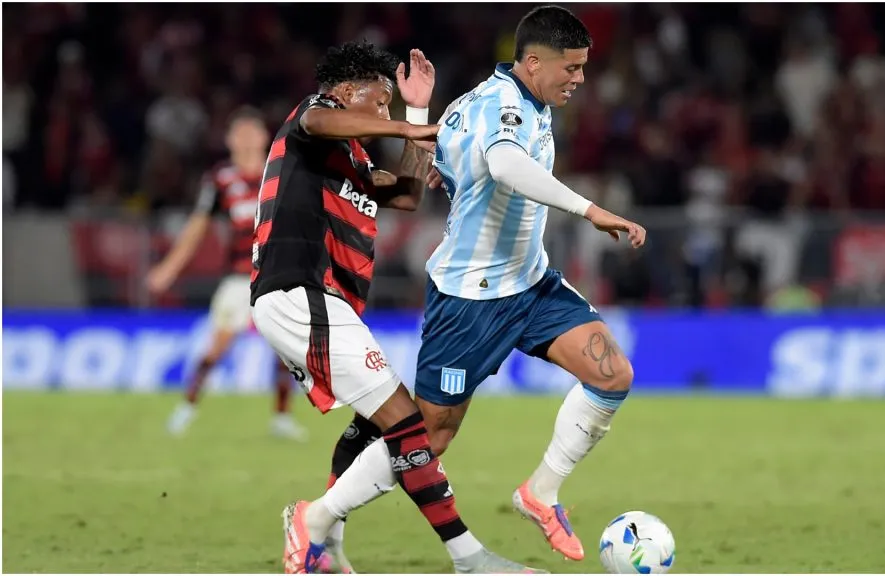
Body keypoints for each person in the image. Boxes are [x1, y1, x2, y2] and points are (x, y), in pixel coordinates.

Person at [324, 5, 647, 565]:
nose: (580, 78)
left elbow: (444, 159)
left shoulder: (504, 102)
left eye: (583, 67)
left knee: (611, 373)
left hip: (530, 283)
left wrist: (427, 121)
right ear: (534, 61)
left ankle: (539, 494)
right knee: (427, 438)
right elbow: (503, 165)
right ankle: (317, 517)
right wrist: (589, 210)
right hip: (470, 299)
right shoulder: (501, 108)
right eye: (571, 68)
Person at [248, 41, 542, 575]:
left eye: (388, 106)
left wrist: (416, 113)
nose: (383, 114)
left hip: (321, 302)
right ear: (343, 92)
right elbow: (316, 121)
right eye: (377, 102)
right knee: (408, 425)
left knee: (373, 430)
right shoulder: (312, 119)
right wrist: (404, 130)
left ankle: (323, 544)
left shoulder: (352, 158)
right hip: (299, 293)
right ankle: (468, 558)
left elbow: (406, 195)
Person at [148, 107, 307, 441]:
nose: (248, 139)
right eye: (241, 133)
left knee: (285, 349)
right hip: (238, 278)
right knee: (216, 348)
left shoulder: (284, 170)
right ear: (229, 140)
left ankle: (281, 418)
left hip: (277, 277)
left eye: (253, 132)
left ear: (265, 137)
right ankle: (187, 407)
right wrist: (168, 269)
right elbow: (197, 226)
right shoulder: (221, 179)